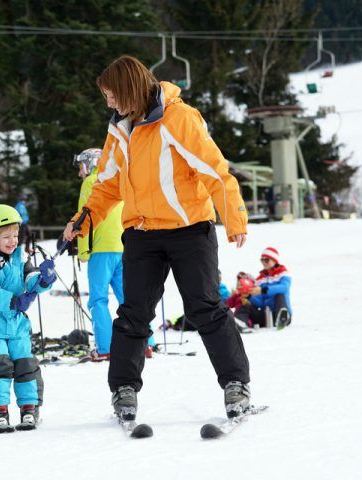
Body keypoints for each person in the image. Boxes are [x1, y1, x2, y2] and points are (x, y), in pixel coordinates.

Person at [62, 55, 252, 423]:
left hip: (189, 230)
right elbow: (107, 184)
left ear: (128, 89)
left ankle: (236, 383)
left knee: (205, 308)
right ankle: (124, 388)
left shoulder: (179, 118)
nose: (108, 102)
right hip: (142, 234)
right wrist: (83, 219)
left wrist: (234, 216)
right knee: (133, 313)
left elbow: (214, 170)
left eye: (111, 95)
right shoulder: (119, 129)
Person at [0, 204, 55, 432]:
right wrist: (14, 301)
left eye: (16, 235)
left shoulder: (19, 257)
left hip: (17, 324)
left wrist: (43, 279)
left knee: (25, 363)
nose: (13, 241)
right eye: (6, 237)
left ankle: (29, 407)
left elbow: (30, 279)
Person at [74, 148, 125, 362]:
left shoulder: (91, 182)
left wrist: (83, 251)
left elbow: (84, 218)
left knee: (98, 299)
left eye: (81, 166)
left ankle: (105, 348)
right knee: (129, 298)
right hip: (123, 247)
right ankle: (144, 344)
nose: (80, 172)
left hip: (101, 249)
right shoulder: (117, 179)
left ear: (91, 164)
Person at [236, 247, 292, 329]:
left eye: (267, 260)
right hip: (267, 316)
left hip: (279, 312)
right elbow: (260, 303)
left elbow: (284, 288)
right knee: (246, 306)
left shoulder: (283, 274)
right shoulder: (260, 279)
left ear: (274, 260)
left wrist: (263, 290)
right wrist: (249, 296)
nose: (264, 263)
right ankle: (240, 323)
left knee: (279, 295)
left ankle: (282, 319)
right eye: (262, 260)